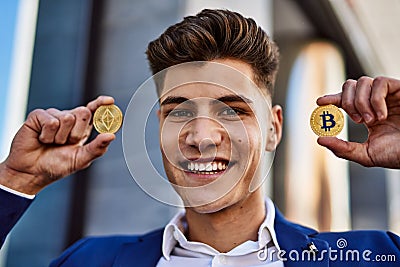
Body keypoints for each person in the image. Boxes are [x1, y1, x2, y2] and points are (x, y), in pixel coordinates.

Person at [0, 9, 399, 267]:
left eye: (232, 109)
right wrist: (14, 183)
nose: (202, 137)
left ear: (274, 128)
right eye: (180, 111)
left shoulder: (374, 257)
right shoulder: (87, 262)